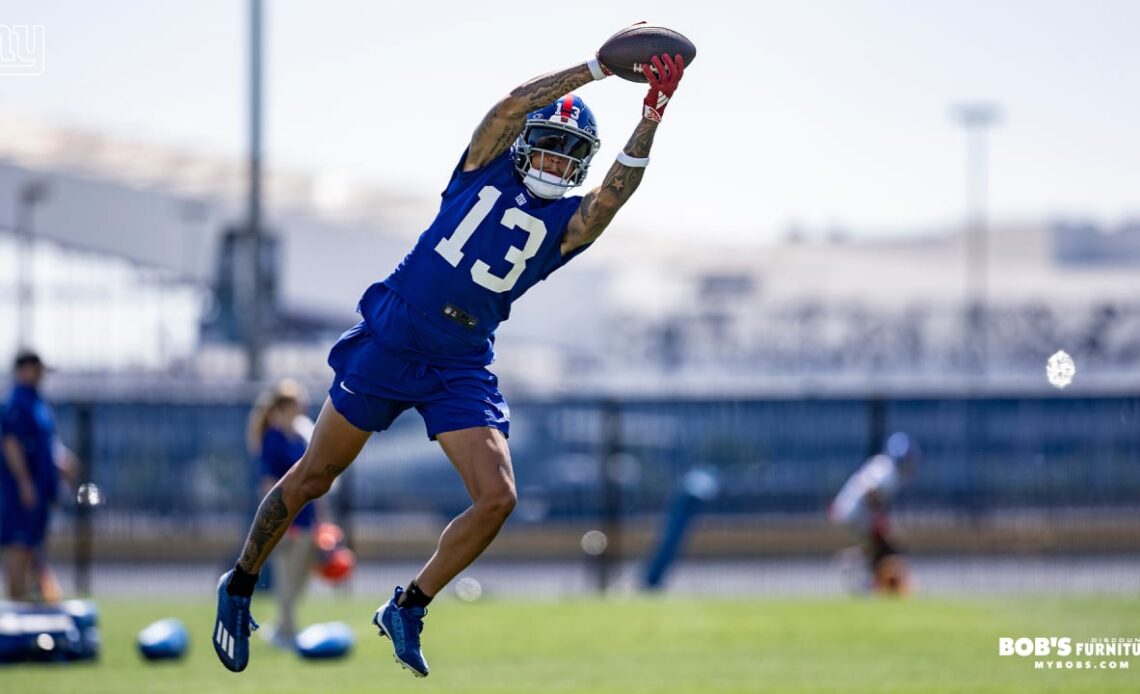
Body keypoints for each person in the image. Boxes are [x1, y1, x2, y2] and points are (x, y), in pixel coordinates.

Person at [213, 41, 687, 676]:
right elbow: (515, 104)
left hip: (461, 358)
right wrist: (597, 70)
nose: (551, 157)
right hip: (395, 333)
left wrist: (651, 115)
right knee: (313, 476)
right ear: (523, 142)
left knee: (498, 498)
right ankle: (240, 584)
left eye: (567, 153)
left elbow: (614, 197)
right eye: (545, 142)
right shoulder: (483, 164)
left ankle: (408, 605)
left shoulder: (568, 224)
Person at [245, 379, 318, 650]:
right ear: (284, 407)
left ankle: (279, 627)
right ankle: (287, 633)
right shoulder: (272, 439)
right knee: (286, 579)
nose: (304, 406)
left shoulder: (300, 436)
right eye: (298, 401)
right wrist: (278, 521)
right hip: (287, 520)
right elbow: (268, 483)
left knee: (302, 578)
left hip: (307, 517)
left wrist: (322, 518)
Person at [0, 350, 77, 602]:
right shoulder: (17, 403)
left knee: (35, 548)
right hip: (21, 493)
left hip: (40, 493)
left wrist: (60, 465)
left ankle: (31, 605)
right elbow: (10, 443)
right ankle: (14, 609)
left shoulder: (38, 404)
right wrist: (24, 482)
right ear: (26, 369)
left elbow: (45, 445)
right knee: (19, 547)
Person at [828, 432, 919, 595]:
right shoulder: (885, 469)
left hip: (854, 512)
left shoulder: (885, 467)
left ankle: (852, 562)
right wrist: (880, 521)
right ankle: (863, 577)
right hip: (853, 512)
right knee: (883, 545)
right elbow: (867, 489)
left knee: (879, 545)